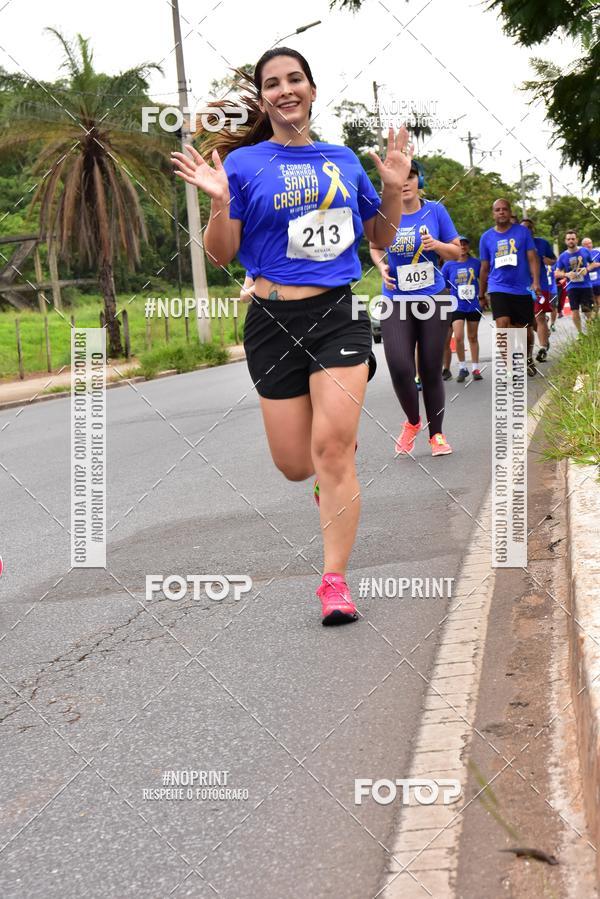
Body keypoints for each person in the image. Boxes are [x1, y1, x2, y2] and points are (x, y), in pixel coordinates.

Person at [172, 48, 411, 626]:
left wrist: (393, 189)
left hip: (337, 313)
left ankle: (334, 582)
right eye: (273, 83)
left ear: (312, 88)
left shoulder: (343, 160)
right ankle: (325, 480)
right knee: (296, 465)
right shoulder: (243, 164)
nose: (286, 90)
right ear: (263, 98)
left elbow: (380, 236)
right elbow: (222, 253)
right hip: (272, 321)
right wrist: (220, 202)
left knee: (333, 450)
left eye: (295, 79)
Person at [370, 159, 461, 457]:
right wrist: (382, 266)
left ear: (419, 180)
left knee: (431, 369)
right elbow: (375, 246)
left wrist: (436, 245)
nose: (405, 181)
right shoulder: (384, 213)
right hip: (396, 299)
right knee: (399, 366)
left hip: (433, 298)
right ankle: (412, 422)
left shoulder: (436, 211)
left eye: (411, 176)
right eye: (401, 176)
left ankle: (437, 435)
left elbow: (456, 251)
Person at [479, 199, 541, 376]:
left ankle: (528, 358)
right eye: (497, 210)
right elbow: (484, 268)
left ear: (510, 212)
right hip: (498, 287)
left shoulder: (522, 232)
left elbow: (532, 258)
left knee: (525, 330)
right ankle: (507, 368)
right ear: (493, 213)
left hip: (521, 288)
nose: (501, 212)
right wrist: (481, 294)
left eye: (504, 209)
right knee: (502, 324)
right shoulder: (486, 237)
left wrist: (536, 282)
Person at [441, 237, 484, 383]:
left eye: (465, 244)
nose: (463, 247)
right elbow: (445, 287)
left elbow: (483, 279)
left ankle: (476, 368)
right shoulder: (448, 265)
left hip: (473, 305)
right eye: (460, 245)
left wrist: (483, 295)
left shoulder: (476, 263)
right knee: (458, 337)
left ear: (468, 247)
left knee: (473, 337)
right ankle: (462, 367)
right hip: (457, 305)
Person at [520, 218, 556, 362]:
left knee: (539, 316)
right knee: (529, 320)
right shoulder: (515, 245)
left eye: (529, 227)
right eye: (523, 227)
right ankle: (544, 334)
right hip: (521, 287)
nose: (526, 230)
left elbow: (553, 259)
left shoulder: (542, 243)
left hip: (540, 286)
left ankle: (542, 348)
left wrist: (548, 261)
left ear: (533, 229)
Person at [555, 230, 599, 333]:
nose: (571, 241)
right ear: (565, 241)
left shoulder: (584, 251)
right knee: (574, 311)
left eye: (573, 239)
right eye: (568, 239)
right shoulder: (563, 256)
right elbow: (556, 273)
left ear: (577, 240)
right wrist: (567, 274)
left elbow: (593, 263)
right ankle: (580, 333)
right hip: (572, 287)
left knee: (588, 311)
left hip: (586, 286)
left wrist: (586, 269)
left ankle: (591, 331)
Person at [581, 237, 600, 314]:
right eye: (586, 244)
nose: (589, 245)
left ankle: (597, 317)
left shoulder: (597, 253)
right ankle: (594, 317)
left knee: (598, 300)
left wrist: (596, 264)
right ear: (583, 246)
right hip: (587, 283)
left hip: (597, 281)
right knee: (592, 302)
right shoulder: (580, 255)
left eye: (590, 243)